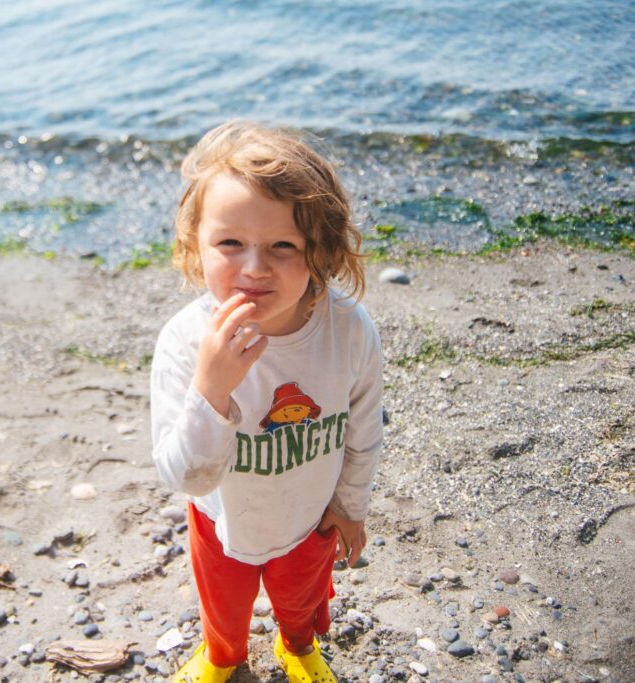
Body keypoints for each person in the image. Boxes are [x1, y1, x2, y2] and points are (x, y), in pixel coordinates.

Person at [150, 120, 383, 683]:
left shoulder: (349, 331)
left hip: (310, 515)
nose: (254, 268)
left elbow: (363, 430)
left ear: (321, 251)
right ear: (196, 247)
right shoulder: (185, 342)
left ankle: (296, 646)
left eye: (283, 245)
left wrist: (350, 506)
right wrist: (212, 387)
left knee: (300, 600)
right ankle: (223, 656)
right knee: (223, 606)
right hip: (222, 520)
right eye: (230, 244)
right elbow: (185, 477)